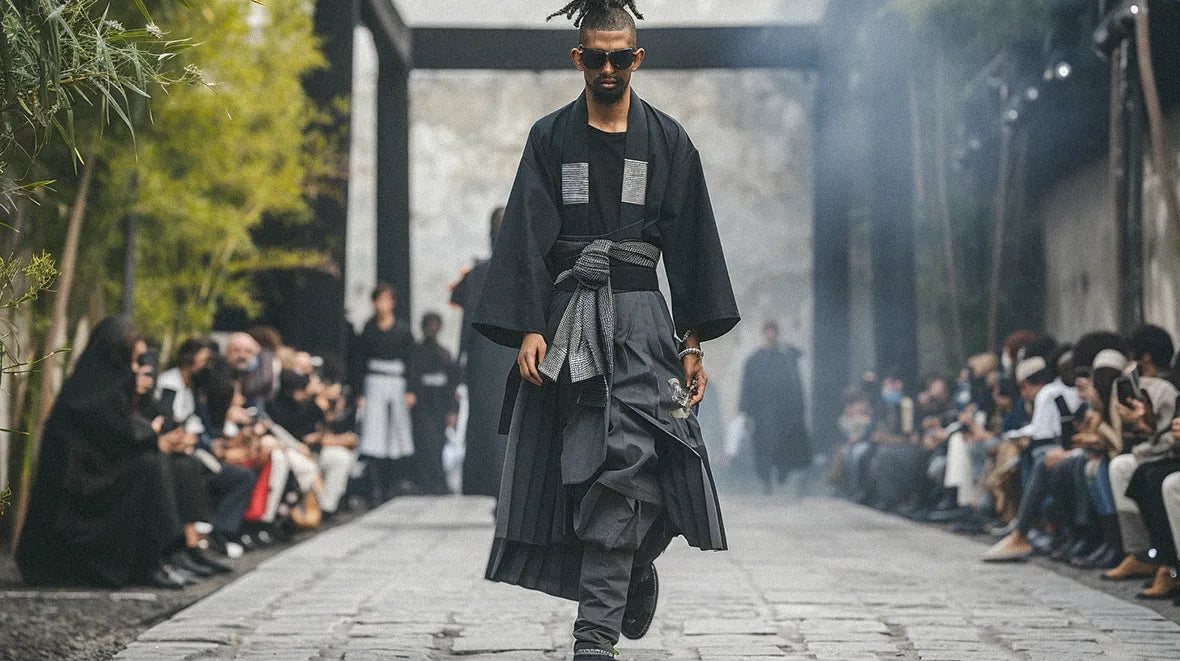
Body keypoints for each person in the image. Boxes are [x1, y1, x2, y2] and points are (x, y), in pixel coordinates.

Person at [472, 2, 740, 657]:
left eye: (621, 56)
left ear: (638, 58)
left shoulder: (670, 141)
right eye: (597, 57)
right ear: (579, 59)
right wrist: (530, 327)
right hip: (569, 325)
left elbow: (693, 243)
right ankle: (599, 629)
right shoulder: (550, 138)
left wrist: (693, 340)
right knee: (590, 470)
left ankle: (632, 573)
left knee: (663, 461)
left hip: (647, 323)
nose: (609, 68)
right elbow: (528, 235)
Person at [17, 317, 189, 588]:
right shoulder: (91, 395)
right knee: (149, 466)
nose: (136, 369)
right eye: (132, 362)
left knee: (157, 464)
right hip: (77, 497)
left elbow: (124, 436)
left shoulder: (99, 389)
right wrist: (150, 436)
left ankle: (161, 557)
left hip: (94, 483)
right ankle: (155, 560)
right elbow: (117, 437)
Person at [452, 207, 519, 498]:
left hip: (486, 354)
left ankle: (488, 480)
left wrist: (462, 361)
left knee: (487, 420)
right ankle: (506, 479)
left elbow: (467, 322)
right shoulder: (524, 270)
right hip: (509, 351)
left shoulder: (479, 274)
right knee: (507, 418)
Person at [354, 282, 418, 503]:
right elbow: (359, 362)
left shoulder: (402, 330)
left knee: (396, 433)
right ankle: (375, 488)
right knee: (374, 433)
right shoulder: (368, 329)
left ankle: (393, 485)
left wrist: (410, 389)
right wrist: (359, 393)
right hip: (374, 381)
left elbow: (411, 361)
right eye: (379, 300)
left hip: (396, 382)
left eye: (387, 300)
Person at [738, 321, 812, 495]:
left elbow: (794, 385)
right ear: (764, 333)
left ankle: (781, 473)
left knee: (782, 444)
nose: (770, 335)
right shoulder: (754, 360)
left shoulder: (784, 358)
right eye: (767, 332)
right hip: (761, 412)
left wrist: (797, 410)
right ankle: (765, 480)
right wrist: (745, 411)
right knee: (762, 447)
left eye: (773, 332)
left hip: (782, 412)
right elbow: (747, 386)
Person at [412, 312, 459, 495]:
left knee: (438, 442)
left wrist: (452, 410)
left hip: (439, 404)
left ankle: (439, 481)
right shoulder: (416, 352)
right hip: (423, 404)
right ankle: (426, 482)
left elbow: (452, 386)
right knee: (424, 442)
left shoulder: (445, 354)